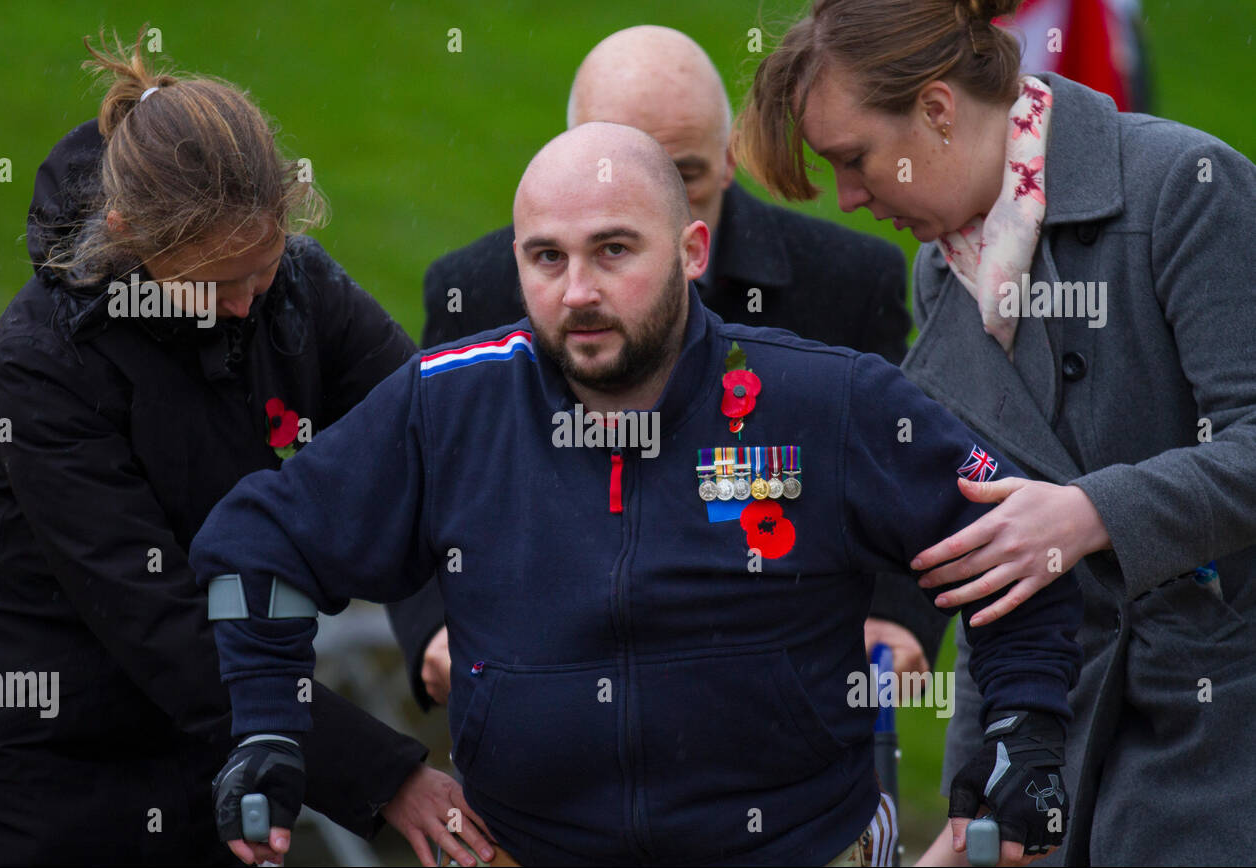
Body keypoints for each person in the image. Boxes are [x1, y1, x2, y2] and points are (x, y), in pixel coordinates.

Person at [190, 121, 1082, 867]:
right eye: (546, 257)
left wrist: (1023, 735)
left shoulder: (828, 400)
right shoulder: (447, 402)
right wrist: (268, 727)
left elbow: (1018, 538)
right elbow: (254, 545)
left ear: (694, 250)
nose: (578, 292)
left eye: (614, 250)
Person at [735, 0, 1256, 865]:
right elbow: (991, 579)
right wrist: (981, 806)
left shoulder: (1183, 188)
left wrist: (1089, 513)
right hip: (1070, 770)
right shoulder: (942, 283)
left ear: (937, 110)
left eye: (854, 161)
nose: (851, 198)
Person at [0, 29, 492, 867]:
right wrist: (389, 777)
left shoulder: (297, 286)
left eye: (263, 267)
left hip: (223, 741)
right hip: (50, 774)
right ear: (131, 234)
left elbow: (438, 438)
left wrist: (438, 621)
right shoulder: (39, 369)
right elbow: (164, 627)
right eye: (215, 285)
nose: (248, 306)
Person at [390, 24, 941, 720]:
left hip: (778, 708)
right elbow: (417, 487)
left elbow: (907, 473)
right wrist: (434, 629)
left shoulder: (844, 285)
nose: (655, 202)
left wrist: (897, 619)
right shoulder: (477, 292)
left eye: (681, 173)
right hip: (553, 700)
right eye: (616, 171)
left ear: (730, 156)